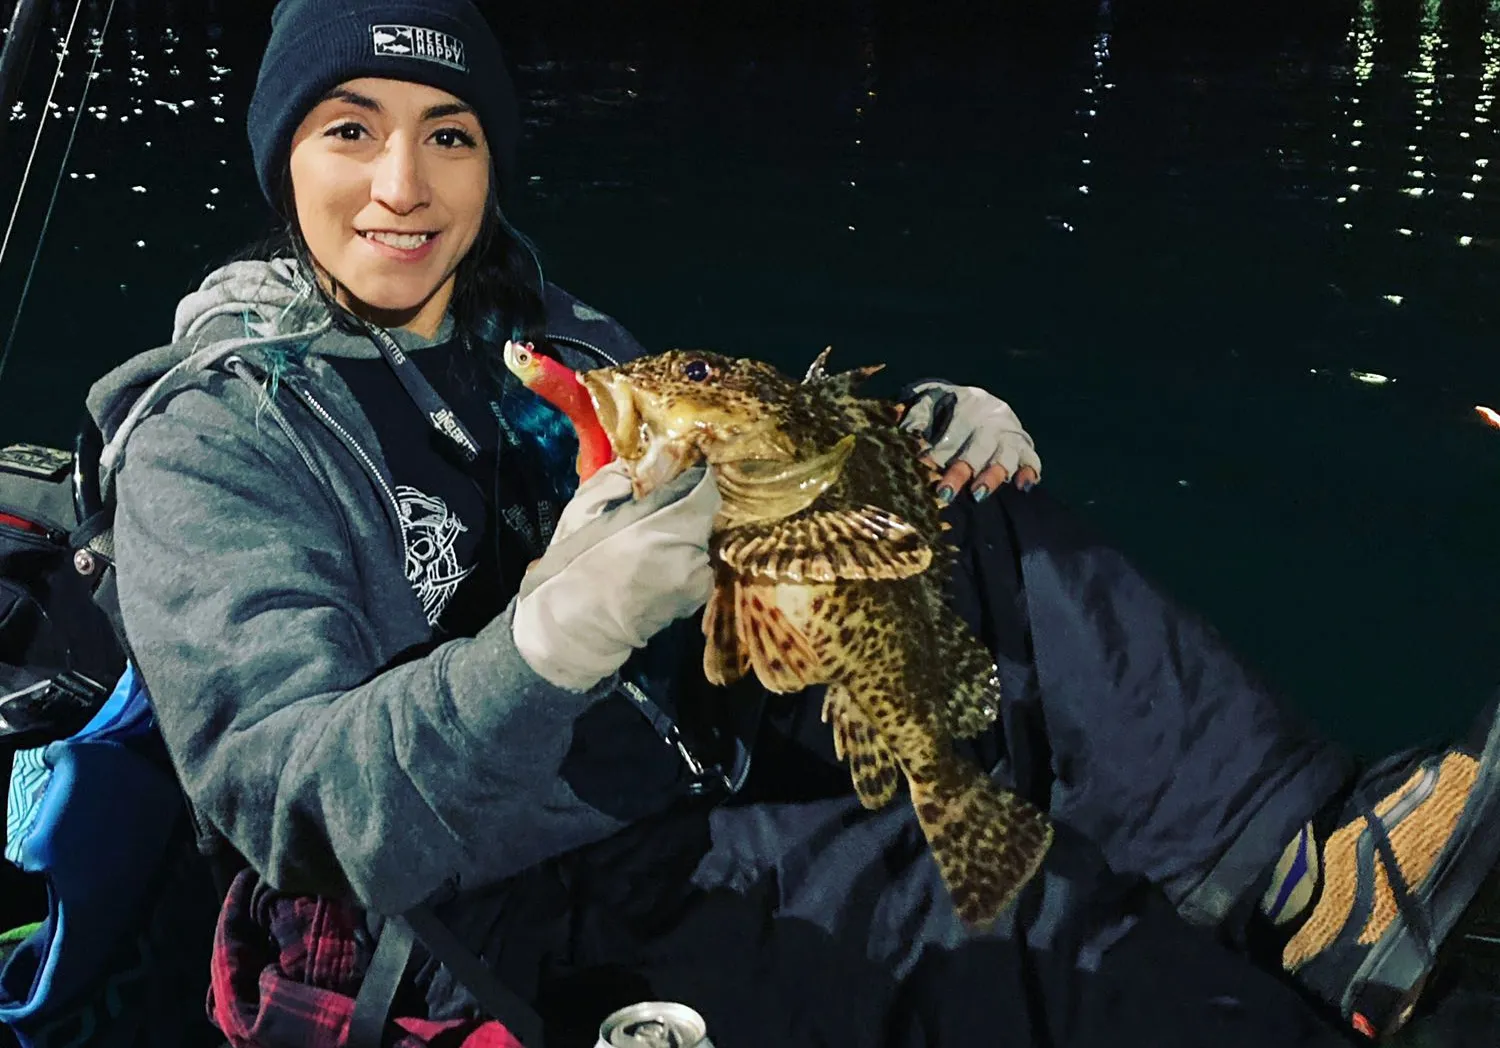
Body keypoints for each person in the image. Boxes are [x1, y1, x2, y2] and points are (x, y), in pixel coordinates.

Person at [81, 1, 1500, 1046]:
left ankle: (1314, 870)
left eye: (447, 136)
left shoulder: (553, 332)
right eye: (351, 131)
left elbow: (744, 481)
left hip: (672, 745)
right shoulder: (216, 440)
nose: (403, 186)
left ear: (489, 160)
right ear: (284, 161)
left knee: (992, 538)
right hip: (487, 900)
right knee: (1002, 919)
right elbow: (296, 809)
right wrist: (551, 635)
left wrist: (899, 449)